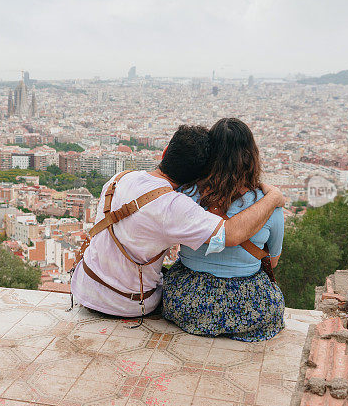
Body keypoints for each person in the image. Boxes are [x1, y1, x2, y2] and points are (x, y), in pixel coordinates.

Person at [69, 124, 285, 318]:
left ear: (165, 153)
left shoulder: (118, 179)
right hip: (127, 304)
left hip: (85, 286)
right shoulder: (175, 206)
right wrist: (273, 197)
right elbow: (231, 234)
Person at [163, 118, 286, 341]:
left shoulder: (185, 195)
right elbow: (273, 261)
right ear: (251, 157)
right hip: (249, 306)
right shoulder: (269, 206)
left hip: (187, 301)